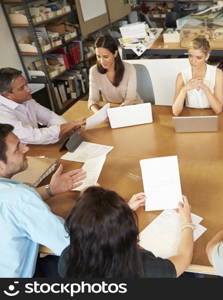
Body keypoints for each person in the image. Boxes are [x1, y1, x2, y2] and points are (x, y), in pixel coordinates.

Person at [0, 123, 86, 277]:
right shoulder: (19, 198)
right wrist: (97, 207)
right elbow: (69, 243)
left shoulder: (15, 197)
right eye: (17, 148)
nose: (26, 149)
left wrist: (50, 189)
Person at [58, 186, 194, 278]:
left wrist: (120, 212)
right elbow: (183, 258)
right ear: (126, 235)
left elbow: (100, 231)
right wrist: (187, 222)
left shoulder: (67, 259)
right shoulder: (141, 267)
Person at [0, 68, 84, 145]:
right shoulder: (2, 113)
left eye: (26, 84)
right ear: (7, 94)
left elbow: (49, 117)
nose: (28, 89)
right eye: (22, 88)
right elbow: (32, 136)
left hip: (35, 146)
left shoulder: (26, 100)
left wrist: (67, 128)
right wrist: (66, 127)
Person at [88, 35, 143, 113]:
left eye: (106, 57)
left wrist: (117, 113)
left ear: (115, 54)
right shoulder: (94, 71)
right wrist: (98, 113)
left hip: (133, 108)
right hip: (112, 110)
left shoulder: (130, 69)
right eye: (98, 56)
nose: (102, 61)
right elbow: (92, 100)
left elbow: (130, 99)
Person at [172, 36, 223, 116]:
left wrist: (205, 88)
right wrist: (184, 89)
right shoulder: (181, 76)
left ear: (207, 56)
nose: (193, 61)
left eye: (198, 58)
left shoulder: (217, 74)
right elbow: (175, 111)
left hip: (210, 116)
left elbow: (218, 110)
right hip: (191, 118)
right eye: (190, 56)